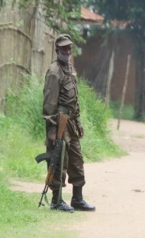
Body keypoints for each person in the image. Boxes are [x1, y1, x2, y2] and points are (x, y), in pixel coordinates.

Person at [43, 34, 95, 212]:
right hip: (59, 124)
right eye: (64, 48)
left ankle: (77, 198)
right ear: (57, 50)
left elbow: (74, 99)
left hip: (71, 123)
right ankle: (56, 200)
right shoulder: (54, 71)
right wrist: (51, 130)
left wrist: (78, 120)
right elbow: (49, 103)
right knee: (59, 161)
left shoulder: (70, 69)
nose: (67, 51)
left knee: (76, 160)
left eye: (69, 48)